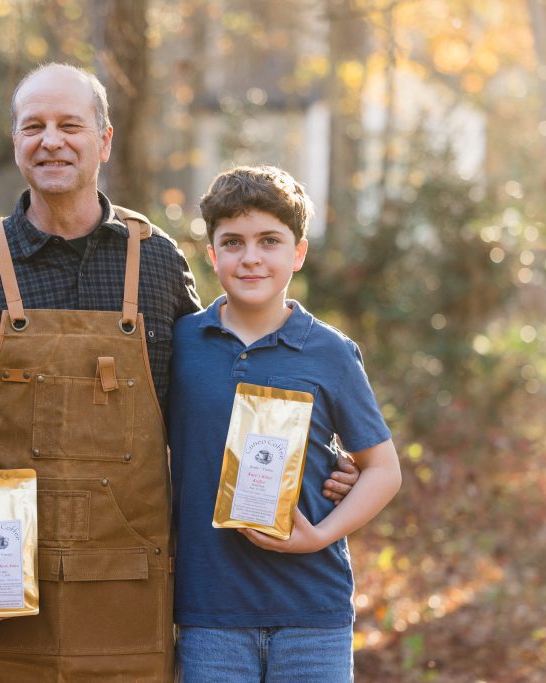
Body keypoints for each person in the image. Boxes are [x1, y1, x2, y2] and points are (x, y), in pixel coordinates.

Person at [0, 65, 357, 681]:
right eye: (33, 126)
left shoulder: (159, 264)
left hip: (131, 594)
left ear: (105, 140)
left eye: (71, 125)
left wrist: (326, 456)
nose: (51, 140)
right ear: (15, 142)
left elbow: (214, 393)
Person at [168, 165, 402, 682]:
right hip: (210, 615)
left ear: (297, 253)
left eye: (269, 241)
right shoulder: (179, 345)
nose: (250, 257)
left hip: (312, 612)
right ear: (211, 255)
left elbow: (383, 469)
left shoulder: (330, 352)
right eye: (232, 242)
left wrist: (317, 536)